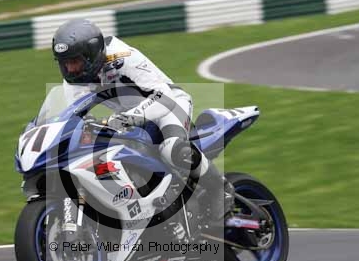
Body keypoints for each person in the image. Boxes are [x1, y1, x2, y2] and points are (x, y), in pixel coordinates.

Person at [51, 18, 235, 221]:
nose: (71, 69)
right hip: (129, 120)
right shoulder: (73, 81)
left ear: (91, 54)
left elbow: (163, 96)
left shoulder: (122, 57)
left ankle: (219, 188)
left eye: (75, 61)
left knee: (172, 148)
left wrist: (130, 117)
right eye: (65, 63)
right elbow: (77, 115)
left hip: (168, 105)